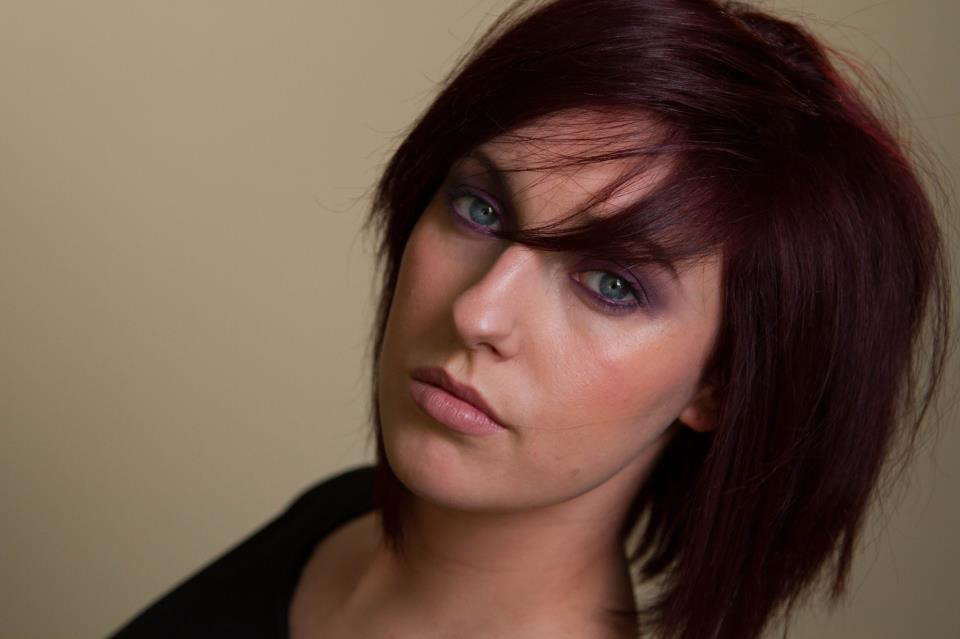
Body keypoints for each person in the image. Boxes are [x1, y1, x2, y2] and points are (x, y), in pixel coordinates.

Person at [109, 0, 952, 638]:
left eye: (611, 284)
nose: (478, 311)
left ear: (721, 385)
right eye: (479, 208)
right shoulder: (337, 519)